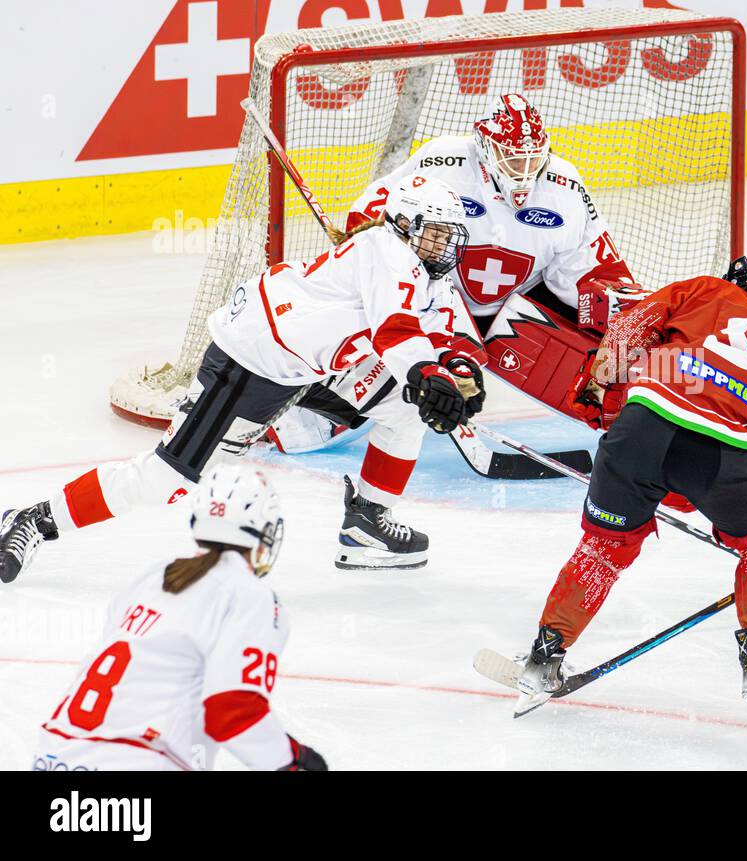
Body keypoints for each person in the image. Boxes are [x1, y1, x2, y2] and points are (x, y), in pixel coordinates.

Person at [1, 176, 483, 581]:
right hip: (253, 359)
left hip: (308, 363)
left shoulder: (424, 269)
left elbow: (448, 330)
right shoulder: (386, 249)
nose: (445, 245)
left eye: (449, 235)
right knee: (167, 479)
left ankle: (366, 520)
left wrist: (459, 372)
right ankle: (34, 520)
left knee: (402, 407)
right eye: (435, 234)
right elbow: (396, 331)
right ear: (405, 225)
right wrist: (425, 376)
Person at [514, 257, 747, 728]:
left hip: (638, 430)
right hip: (722, 454)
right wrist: (722, 515)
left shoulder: (704, 288)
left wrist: (598, 384)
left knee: (603, 549)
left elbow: (629, 329)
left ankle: (544, 658)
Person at [268, 91, 647, 452]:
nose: (524, 170)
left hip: (513, 306)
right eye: (513, 158)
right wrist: (372, 249)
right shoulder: (442, 162)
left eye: (533, 159)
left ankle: (638, 421)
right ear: (485, 147)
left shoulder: (565, 187)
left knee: (607, 347)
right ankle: (312, 413)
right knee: (388, 341)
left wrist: (620, 310)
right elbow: (375, 208)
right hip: (435, 295)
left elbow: (591, 266)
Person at [32, 466, 326, 771]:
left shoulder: (152, 577)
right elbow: (232, 709)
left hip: (53, 757)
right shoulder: (247, 595)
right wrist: (293, 760)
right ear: (264, 531)